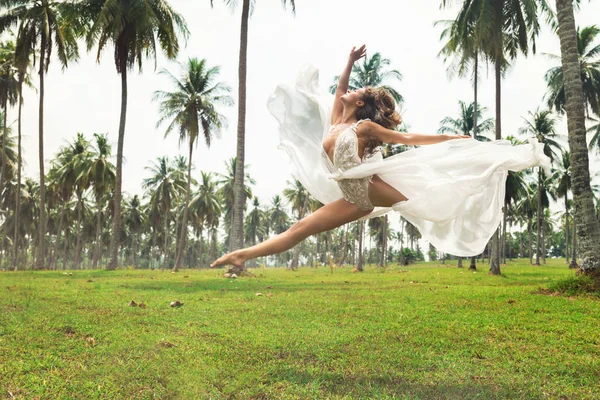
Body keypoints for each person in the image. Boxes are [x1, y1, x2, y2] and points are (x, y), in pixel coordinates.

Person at [210, 45, 550, 269]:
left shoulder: (364, 128)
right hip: (354, 198)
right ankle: (241, 256)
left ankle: (495, 166)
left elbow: (406, 137)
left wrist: (450, 137)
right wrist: (348, 61)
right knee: (300, 229)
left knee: (437, 198)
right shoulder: (335, 123)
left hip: (370, 187)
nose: (348, 91)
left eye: (356, 92)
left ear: (359, 105)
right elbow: (342, 87)